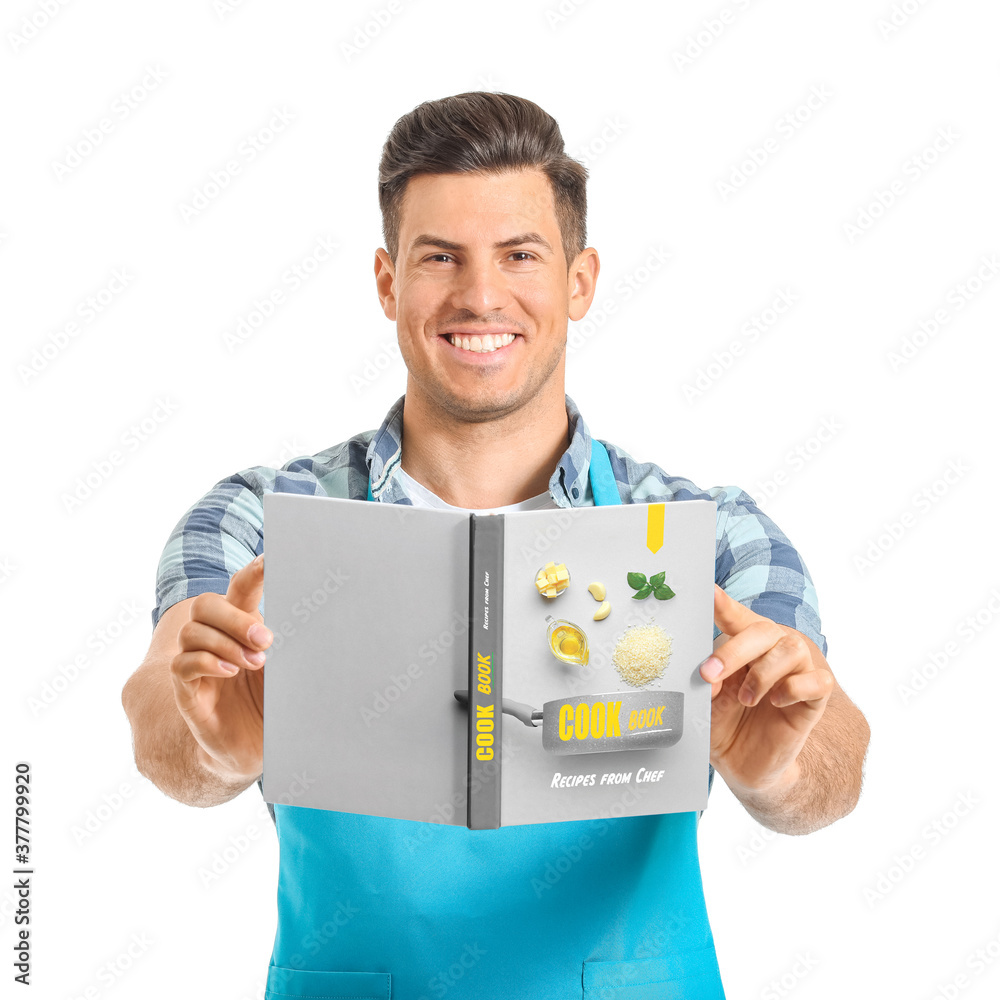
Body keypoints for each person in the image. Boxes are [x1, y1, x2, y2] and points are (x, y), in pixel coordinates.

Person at [121, 91, 870, 999]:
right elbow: (161, 715)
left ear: (580, 281)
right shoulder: (260, 521)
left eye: (520, 255)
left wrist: (778, 767)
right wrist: (217, 752)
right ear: (389, 281)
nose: (481, 296)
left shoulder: (706, 531)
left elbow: (835, 764)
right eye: (440, 258)